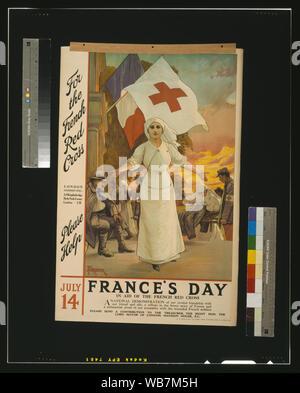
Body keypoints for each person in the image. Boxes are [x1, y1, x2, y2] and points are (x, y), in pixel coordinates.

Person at [116, 118, 187, 272]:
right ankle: (154, 257)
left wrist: (176, 168)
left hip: (166, 187)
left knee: (167, 220)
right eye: (152, 127)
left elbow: (181, 160)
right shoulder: (143, 147)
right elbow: (133, 161)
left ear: (162, 130)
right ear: (148, 130)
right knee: (152, 222)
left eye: (158, 127)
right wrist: (119, 170)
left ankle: (169, 253)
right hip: (150, 186)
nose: (155, 130)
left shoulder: (168, 147)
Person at [85, 174, 134, 257]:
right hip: (91, 216)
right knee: (105, 225)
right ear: (94, 181)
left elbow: (109, 202)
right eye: (99, 181)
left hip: (101, 214)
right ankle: (102, 249)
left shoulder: (100, 190)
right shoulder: (87, 190)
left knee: (117, 221)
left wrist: (115, 213)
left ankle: (121, 246)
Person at [217, 167, 234, 241]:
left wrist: (224, 218)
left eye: (220, 177)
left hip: (229, 219)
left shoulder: (231, 185)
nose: (219, 179)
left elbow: (228, 203)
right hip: (228, 218)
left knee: (229, 239)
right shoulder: (227, 184)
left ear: (224, 176)